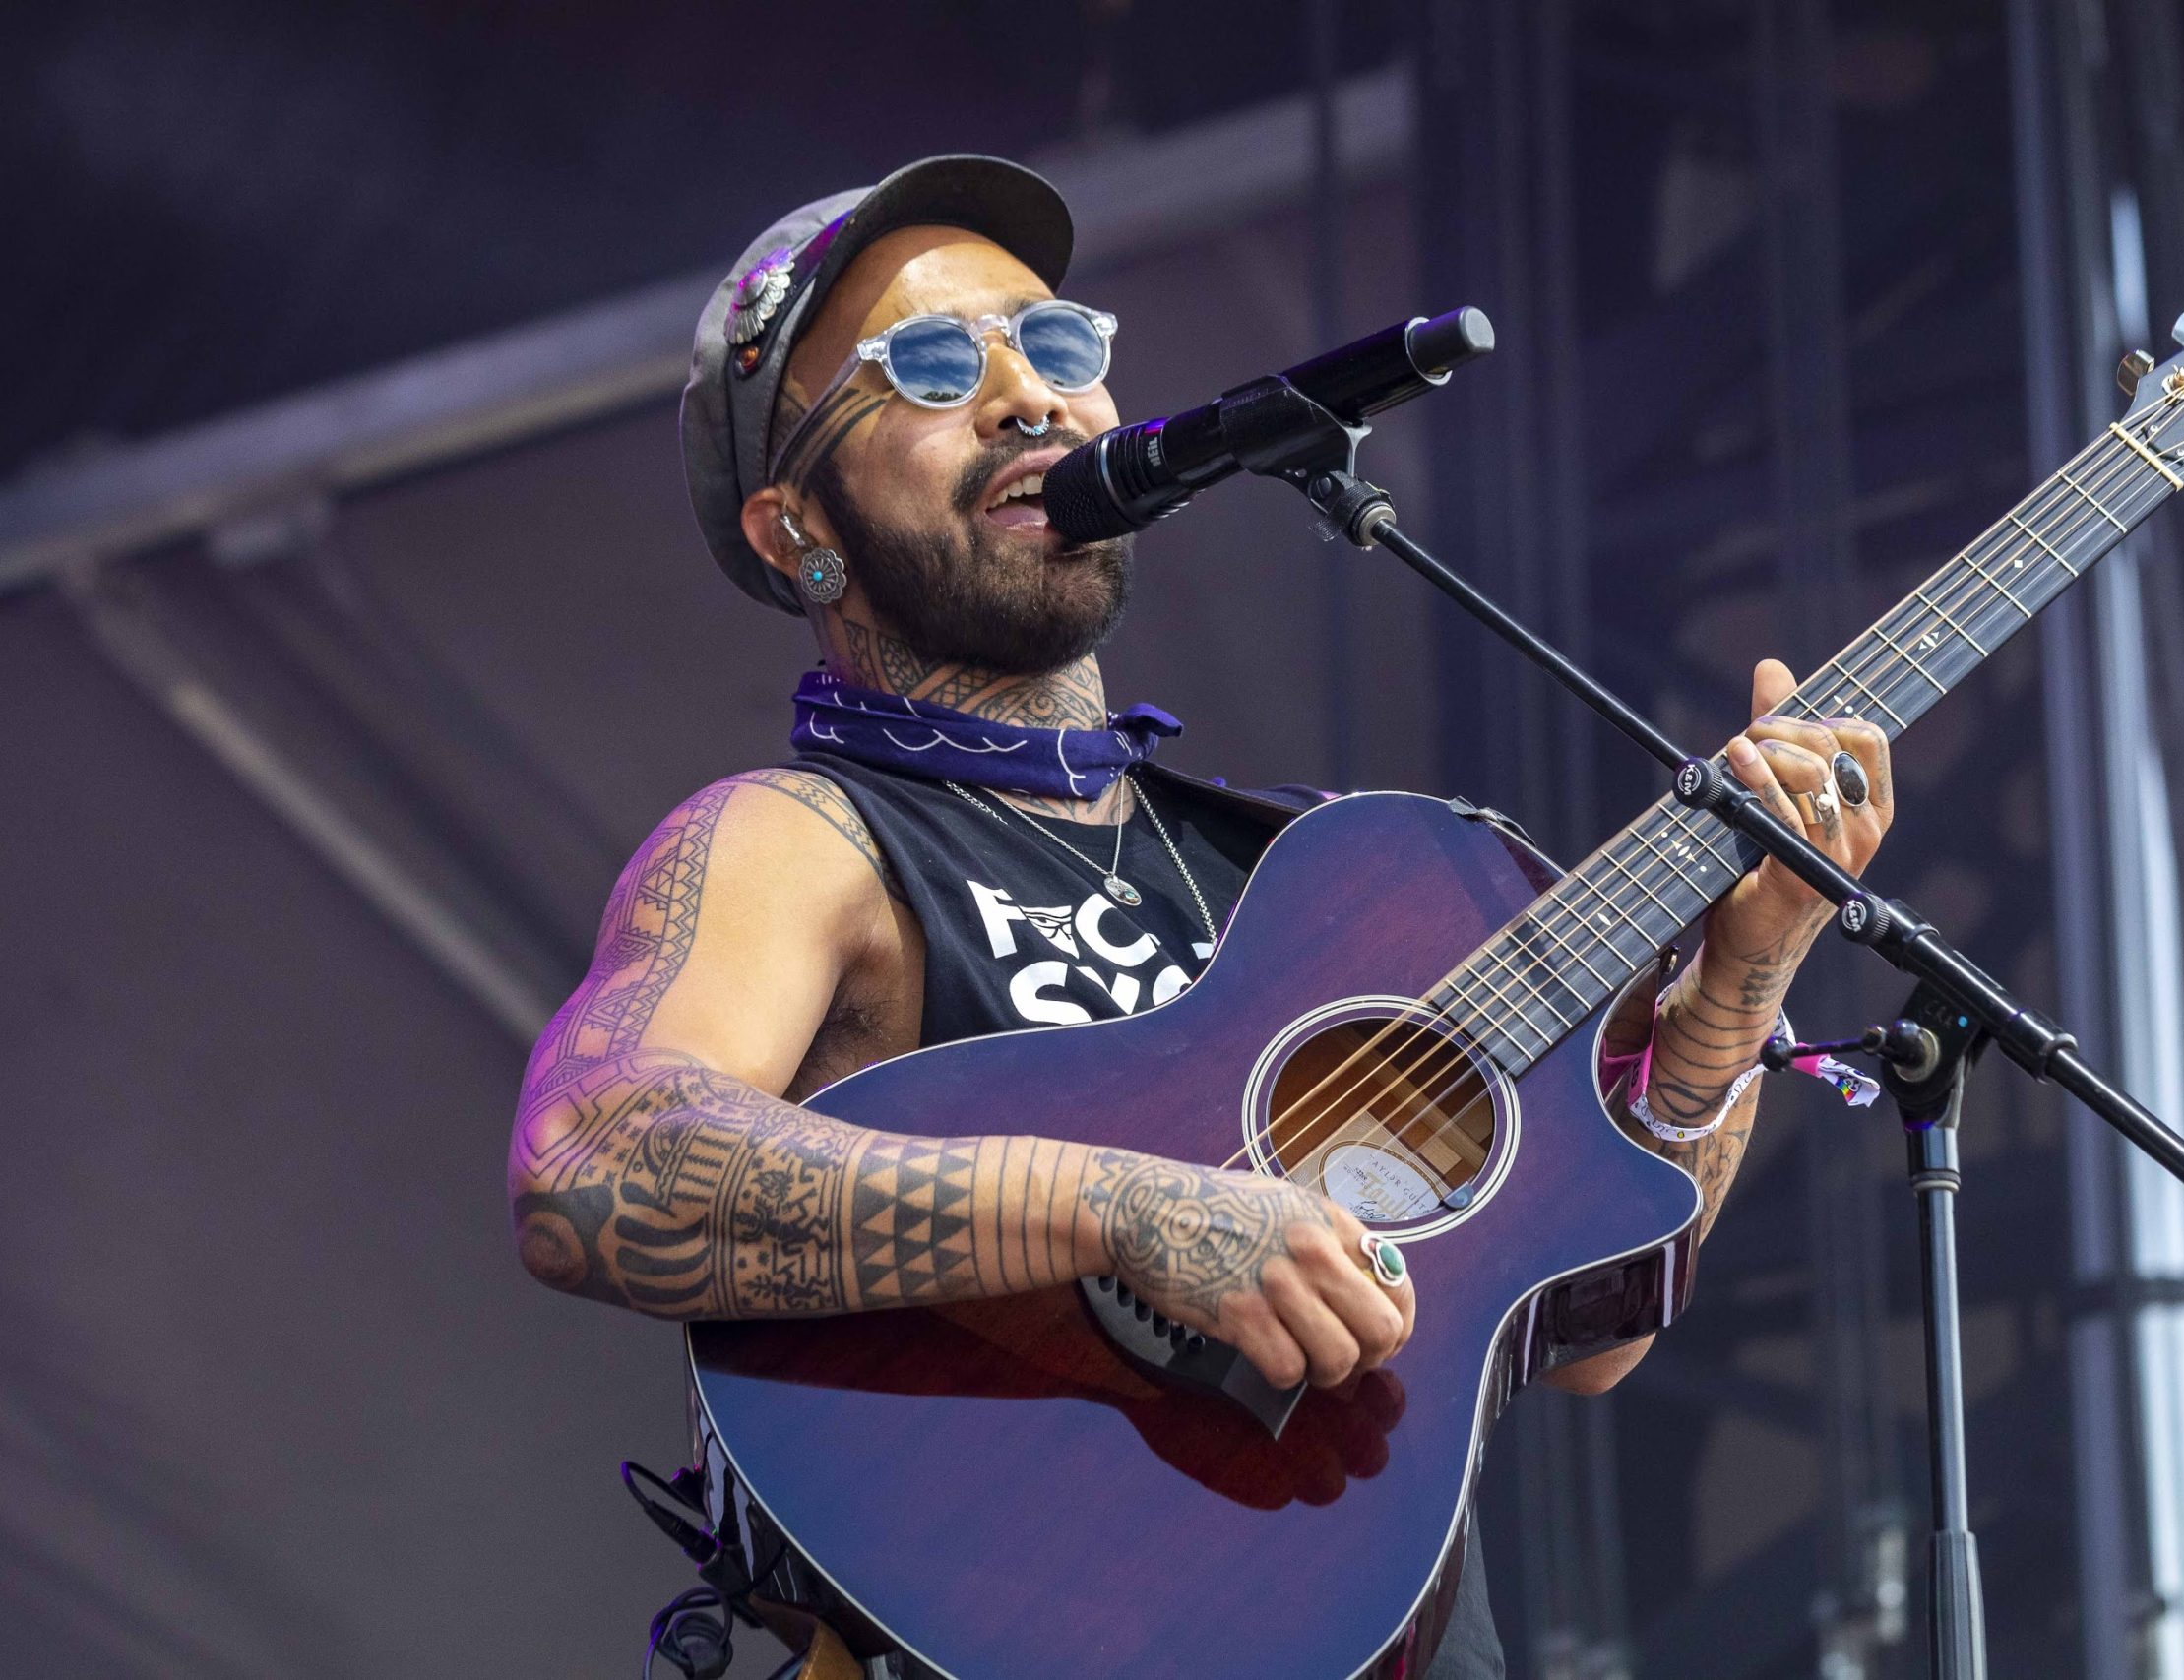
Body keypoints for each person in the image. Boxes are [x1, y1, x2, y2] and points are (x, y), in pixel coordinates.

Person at [507, 155, 1894, 1679]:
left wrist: (1737, 983)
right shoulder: (796, 838)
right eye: (925, 367)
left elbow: (1599, 1335)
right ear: (797, 533)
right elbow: (593, 1163)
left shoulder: (1310, 881)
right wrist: (1127, 1211)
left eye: (1057, 344)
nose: (1029, 396)